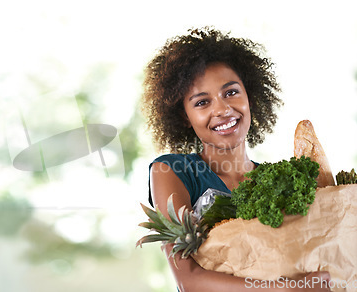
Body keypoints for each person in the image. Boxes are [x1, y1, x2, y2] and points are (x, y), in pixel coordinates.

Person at [140, 26, 331, 291]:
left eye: (231, 92)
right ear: (184, 116)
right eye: (201, 102)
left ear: (249, 95)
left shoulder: (279, 181)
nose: (222, 109)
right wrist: (286, 289)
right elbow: (189, 280)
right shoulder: (171, 171)